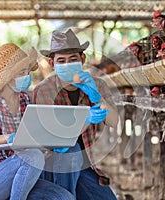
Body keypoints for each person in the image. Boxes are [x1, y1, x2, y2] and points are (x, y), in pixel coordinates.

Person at [0, 43, 75, 200]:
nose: (27, 75)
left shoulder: (24, 100)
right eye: (22, 72)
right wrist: (7, 138)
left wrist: (49, 144)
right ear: (7, 76)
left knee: (65, 198)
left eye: (28, 71)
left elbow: (30, 138)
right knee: (33, 157)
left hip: (21, 176)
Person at [33, 29, 119, 199]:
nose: (67, 64)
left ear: (82, 59)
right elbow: (53, 138)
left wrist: (96, 96)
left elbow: (114, 121)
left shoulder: (98, 85)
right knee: (70, 152)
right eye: (61, 61)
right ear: (52, 64)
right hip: (54, 162)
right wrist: (84, 120)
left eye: (73, 59)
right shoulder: (44, 90)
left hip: (86, 165)